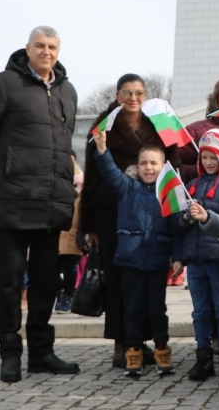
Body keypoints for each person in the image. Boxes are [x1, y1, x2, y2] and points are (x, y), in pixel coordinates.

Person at [0, 25, 80, 382]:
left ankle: (41, 352)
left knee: (46, 282)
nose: (46, 52)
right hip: (14, 202)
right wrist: (3, 174)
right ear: (27, 48)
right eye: (40, 46)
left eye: (52, 47)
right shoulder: (2, 84)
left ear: (58, 51)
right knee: (9, 282)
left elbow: (63, 143)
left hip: (50, 203)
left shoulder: (68, 90)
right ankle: (10, 353)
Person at [80, 72, 179, 369]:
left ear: (145, 96)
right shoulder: (104, 125)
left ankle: (141, 341)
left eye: (139, 93)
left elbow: (173, 163)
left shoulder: (158, 123)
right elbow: (92, 175)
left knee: (147, 283)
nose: (133, 98)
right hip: (111, 213)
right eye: (127, 92)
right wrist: (89, 224)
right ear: (117, 96)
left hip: (151, 210)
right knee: (118, 281)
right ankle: (121, 343)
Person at [91, 130, 179, 378]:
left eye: (154, 163)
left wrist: (178, 257)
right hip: (130, 261)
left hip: (157, 260)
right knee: (132, 311)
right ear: (137, 166)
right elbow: (110, 172)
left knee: (157, 311)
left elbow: (175, 230)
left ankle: (162, 350)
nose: (148, 168)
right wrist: (102, 149)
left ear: (163, 167)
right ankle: (133, 352)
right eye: (144, 163)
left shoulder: (169, 194)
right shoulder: (127, 187)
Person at [174, 129, 219, 381]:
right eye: (205, 157)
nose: (209, 162)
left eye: (214, 157)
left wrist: (206, 213)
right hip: (196, 260)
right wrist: (186, 217)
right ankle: (203, 357)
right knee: (200, 311)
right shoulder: (191, 186)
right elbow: (179, 226)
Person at [56, 158, 83, 315]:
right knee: (52, 271)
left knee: (70, 273)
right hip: (57, 240)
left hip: (73, 241)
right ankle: (61, 293)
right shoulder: (59, 196)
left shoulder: (81, 199)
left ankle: (68, 296)